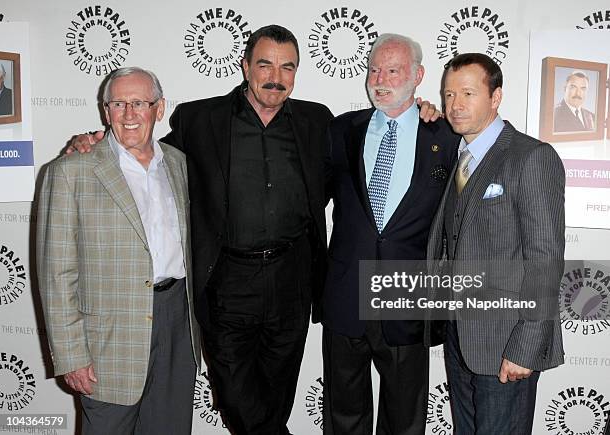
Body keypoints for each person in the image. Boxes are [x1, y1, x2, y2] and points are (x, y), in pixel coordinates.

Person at [67, 26, 440, 434]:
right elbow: (153, 157)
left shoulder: (319, 123)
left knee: (278, 397)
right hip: (228, 284)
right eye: (265, 64)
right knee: (235, 397)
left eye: (287, 67)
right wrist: (97, 142)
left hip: (292, 282)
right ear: (246, 67)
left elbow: (358, 176)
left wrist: (421, 113)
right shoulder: (201, 119)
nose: (275, 76)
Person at [37, 67, 201, 434]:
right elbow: (56, 273)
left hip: (177, 323)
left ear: (159, 109)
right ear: (105, 110)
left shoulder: (179, 163)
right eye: (118, 103)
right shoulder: (70, 172)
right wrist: (71, 356)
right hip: (108, 338)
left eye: (139, 103)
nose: (129, 114)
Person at [322, 34, 459, 435]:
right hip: (346, 294)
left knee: (404, 419)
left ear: (418, 76)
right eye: (374, 69)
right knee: (343, 415)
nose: (379, 79)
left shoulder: (447, 137)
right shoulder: (341, 130)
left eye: (393, 70)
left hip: (407, 299)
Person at [427, 53, 565, 434]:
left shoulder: (531, 157)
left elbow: (546, 259)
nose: (455, 105)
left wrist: (526, 345)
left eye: (468, 93)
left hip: (507, 340)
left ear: (496, 97)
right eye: (449, 94)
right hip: (460, 336)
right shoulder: (461, 157)